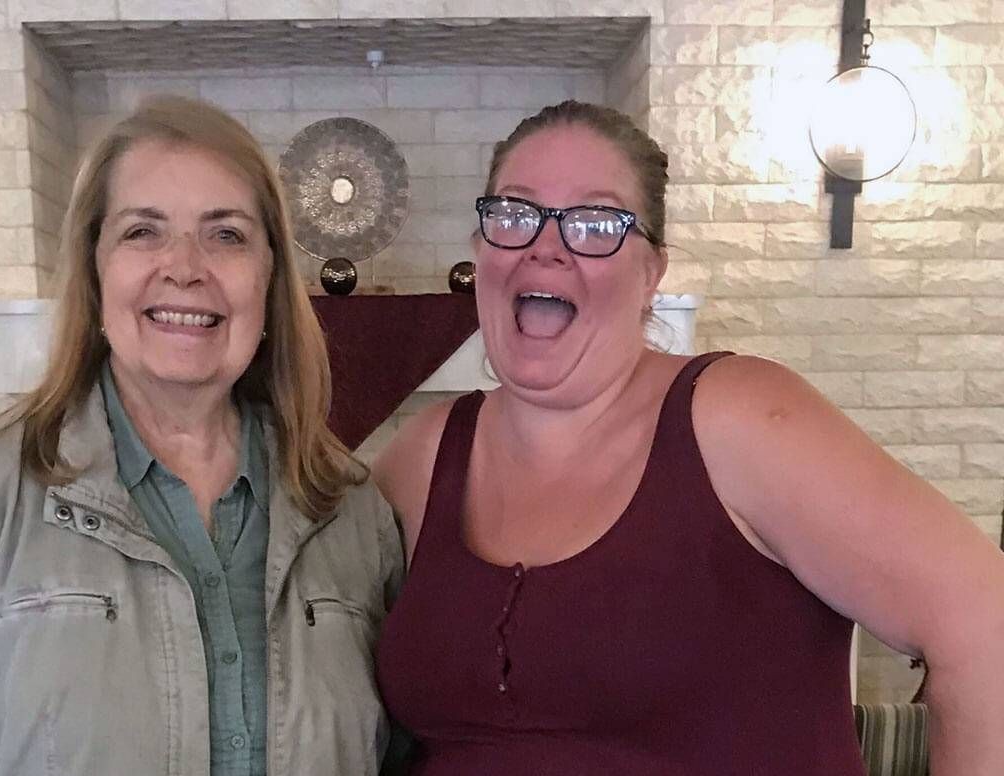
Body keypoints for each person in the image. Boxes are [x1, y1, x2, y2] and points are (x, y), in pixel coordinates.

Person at [373, 100, 1004, 775]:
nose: (545, 247)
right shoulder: (422, 457)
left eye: (596, 223)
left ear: (651, 273)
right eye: (515, 214)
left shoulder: (738, 418)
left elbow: (983, 627)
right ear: (480, 252)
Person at [0, 96, 404, 776]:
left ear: (269, 280)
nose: (184, 266)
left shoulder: (351, 510)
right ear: (95, 271)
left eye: (227, 234)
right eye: (142, 232)